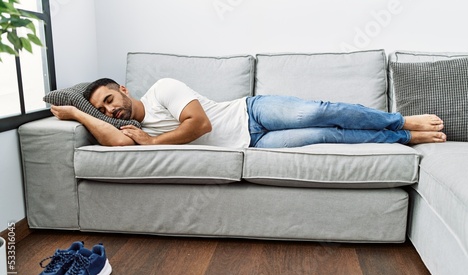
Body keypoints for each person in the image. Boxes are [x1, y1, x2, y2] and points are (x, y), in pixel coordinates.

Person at [50, 78, 446, 148]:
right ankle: (404, 137)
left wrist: (152, 140)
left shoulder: (161, 91)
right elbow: (115, 139)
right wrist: (79, 114)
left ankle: (399, 119)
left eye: (109, 99)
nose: (110, 109)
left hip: (250, 112)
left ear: (123, 89)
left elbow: (200, 125)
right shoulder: (129, 129)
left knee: (318, 114)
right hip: (255, 144)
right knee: (329, 135)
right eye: (103, 109)